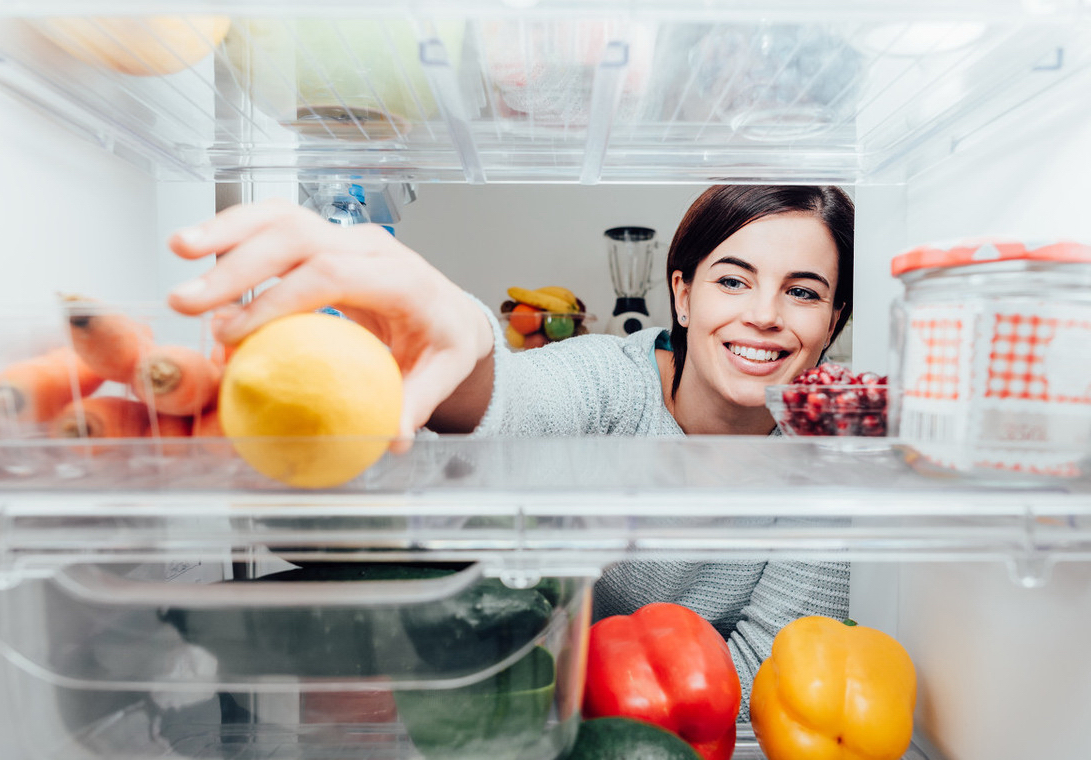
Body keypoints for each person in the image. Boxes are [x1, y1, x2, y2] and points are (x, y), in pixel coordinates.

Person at [167, 184, 854, 718]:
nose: (764, 313)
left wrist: (600, 701)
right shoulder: (612, 377)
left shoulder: (826, 462)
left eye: (803, 292)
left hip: (655, 725)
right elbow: (516, 402)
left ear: (833, 324)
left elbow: (778, 671)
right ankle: (176, 644)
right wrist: (461, 336)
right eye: (733, 280)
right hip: (519, 694)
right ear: (681, 294)